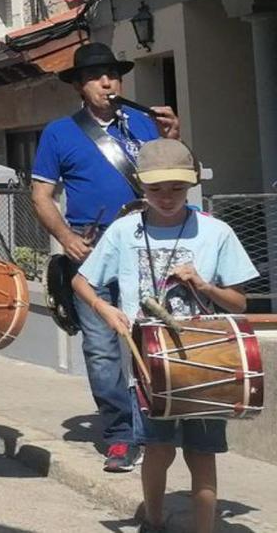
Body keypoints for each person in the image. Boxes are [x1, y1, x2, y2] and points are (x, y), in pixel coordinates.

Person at [73, 139, 257, 533]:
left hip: (204, 360)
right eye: (156, 189)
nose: (167, 197)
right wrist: (107, 310)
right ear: (141, 186)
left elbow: (239, 303)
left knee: (202, 453)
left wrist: (204, 286)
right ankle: (154, 520)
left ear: (190, 185)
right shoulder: (124, 231)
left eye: (176, 188)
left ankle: (203, 528)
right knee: (158, 449)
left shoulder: (216, 231)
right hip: (148, 360)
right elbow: (81, 281)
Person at [31, 42, 179, 472]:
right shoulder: (60, 132)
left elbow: (174, 179)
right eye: (97, 76)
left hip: (146, 247)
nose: (108, 82)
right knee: (100, 348)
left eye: (113, 74)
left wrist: (172, 139)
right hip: (91, 250)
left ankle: (155, 424)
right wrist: (66, 238)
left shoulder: (144, 125)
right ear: (80, 85)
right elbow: (41, 195)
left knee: (152, 339)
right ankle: (119, 433)